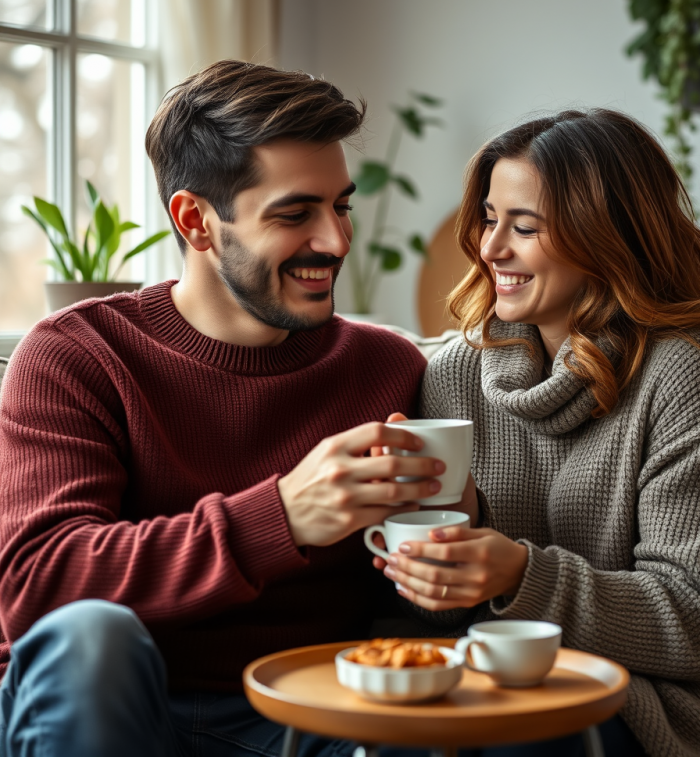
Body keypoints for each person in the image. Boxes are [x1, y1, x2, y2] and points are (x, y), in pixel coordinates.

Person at [0, 60, 447, 757]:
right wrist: (281, 517)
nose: (335, 241)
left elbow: (415, 607)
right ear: (196, 221)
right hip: (121, 712)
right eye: (296, 213)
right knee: (93, 637)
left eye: (341, 206)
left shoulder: (389, 367)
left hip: (315, 719)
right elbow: (40, 586)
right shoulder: (77, 355)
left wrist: (455, 529)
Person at [374, 109, 700, 757]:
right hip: (483, 678)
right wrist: (447, 546)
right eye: (488, 217)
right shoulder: (455, 373)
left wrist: (517, 574)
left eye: (525, 226)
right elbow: (436, 618)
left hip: (646, 700)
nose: (490, 248)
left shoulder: (688, 376)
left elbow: (696, 623)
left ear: (605, 237)